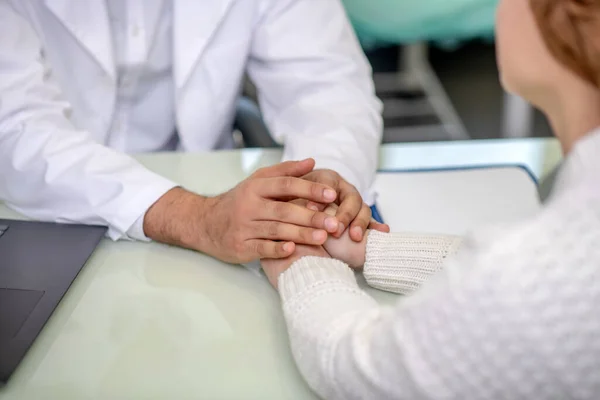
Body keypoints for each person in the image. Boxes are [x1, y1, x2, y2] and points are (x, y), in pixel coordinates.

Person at [261, 0, 600, 398]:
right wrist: (369, 250)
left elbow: (356, 366)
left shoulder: (530, 278)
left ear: (563, 19)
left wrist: (303, 261)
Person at [0, 0, 388, 264]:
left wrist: (320, 194)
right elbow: (15, 126)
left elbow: (329, 88)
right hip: (38, 215)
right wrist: (196, 218)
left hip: (212, 210)